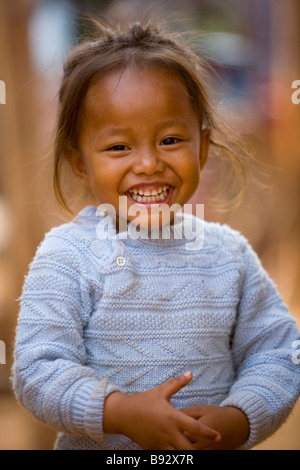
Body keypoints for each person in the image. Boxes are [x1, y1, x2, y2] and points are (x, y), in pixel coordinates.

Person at [12, 18, 300, 451]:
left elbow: (280, 353)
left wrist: (241, 416)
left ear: (202, 148)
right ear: (79, 163)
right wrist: (118, 412)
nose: (147, 163)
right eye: (118, 147)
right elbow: (36, 370)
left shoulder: (230, 256)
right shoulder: (67, 255)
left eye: (169, 140)